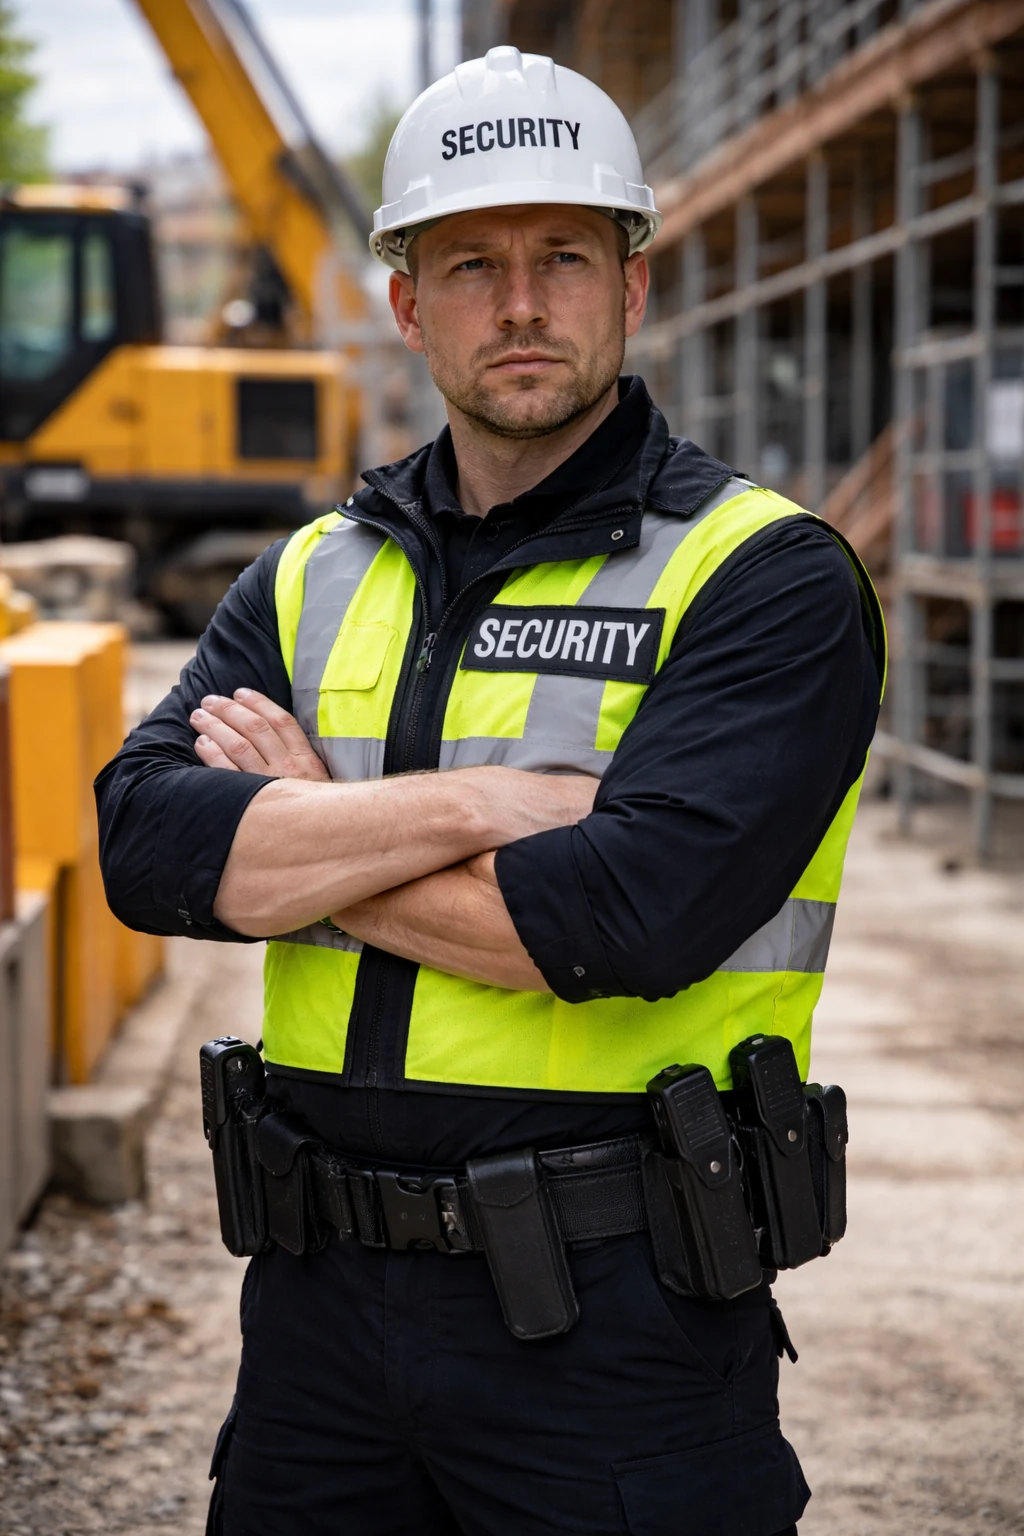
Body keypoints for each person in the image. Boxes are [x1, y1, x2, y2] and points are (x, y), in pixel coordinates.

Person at [96, 45, 884, 1536]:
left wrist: (300, 829)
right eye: (470, 264)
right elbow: (143, 845)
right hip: (315, 1323)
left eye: (563, 258)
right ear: (407, 304)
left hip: (619, 1324)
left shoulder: (767, 576)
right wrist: (476, 809)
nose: (520, 305)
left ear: (632, 288)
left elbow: (622, 920)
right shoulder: (315, 570)